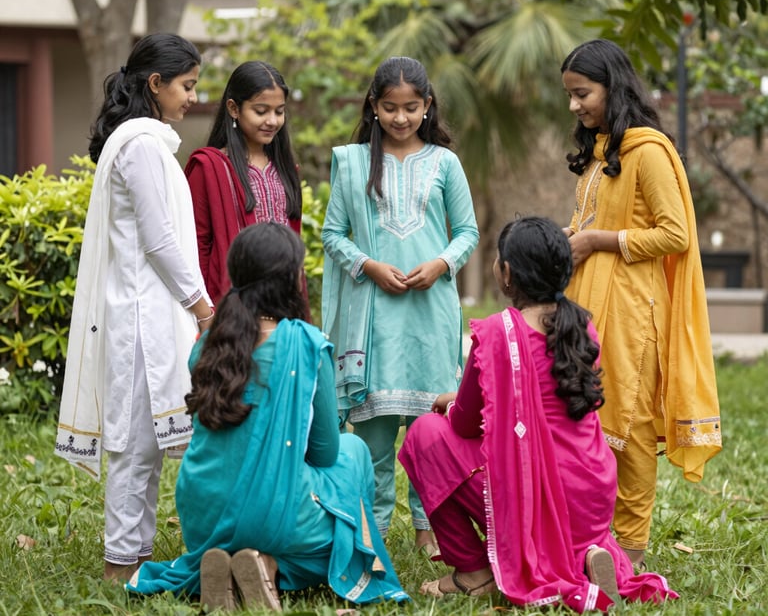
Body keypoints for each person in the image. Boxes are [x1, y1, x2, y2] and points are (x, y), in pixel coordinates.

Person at [399, 216, 679, 612]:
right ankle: (583, 556)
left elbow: (464, 423)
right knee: (536, 470)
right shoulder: (582, 326)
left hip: (541, 495)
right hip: (592, 495)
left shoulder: (497, 334)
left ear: (506, 273)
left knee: (425, 434)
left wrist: (453, 402)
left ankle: (473, 571)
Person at [125, 222, 409, 612]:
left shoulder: (207, 345)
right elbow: (325, 453)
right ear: (290, 280)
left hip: (202, 519)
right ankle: (269, 564)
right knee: (353, 451)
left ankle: (237, 564)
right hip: (275, 517)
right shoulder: (307, 346)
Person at [54, 33, 214, 583]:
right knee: (134, 446)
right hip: (142, 318)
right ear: (156, 83)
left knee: (144, 444)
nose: (193, 96)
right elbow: (159, 241)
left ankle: (135, 560)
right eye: (187, 85)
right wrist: (203, 308)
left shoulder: (143, 141)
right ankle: (119, 568)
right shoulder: (142, 146)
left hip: (146, 311)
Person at [560, 39, 721, 568]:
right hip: (588, 304)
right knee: (587, 421)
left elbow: (674, 234)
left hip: (634, 311)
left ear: (613, 86)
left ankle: (628, 553)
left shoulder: (647, 150)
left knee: (629, 430)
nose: (574, 105)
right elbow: (590, 222)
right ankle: (588, 543)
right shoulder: (602, 151)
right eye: (570, 95)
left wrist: (597, 240)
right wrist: (566, 237)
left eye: (583, 93)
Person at [321, 56, 479, 554]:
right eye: (390, 107)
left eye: (411, 107)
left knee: (431, 429)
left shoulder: (445, 163)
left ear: (427, 105)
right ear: (374, 105)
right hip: (373, 315)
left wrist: (441, 263)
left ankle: (430, 531)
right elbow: (332, 234)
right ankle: (374, 531)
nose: (401, 117)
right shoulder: (353, 162)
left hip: (430, 311)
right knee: (372, 437)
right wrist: (368, 266)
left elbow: (468, 231)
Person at [185, 61, 302, 305]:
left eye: (279, 111)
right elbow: (197, 246)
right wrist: (205, 311)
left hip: (283, 301)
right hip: (233, 304)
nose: (272, 121)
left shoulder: (286, 169)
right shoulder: (210, 167)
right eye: (261, 111)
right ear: (234, 108)